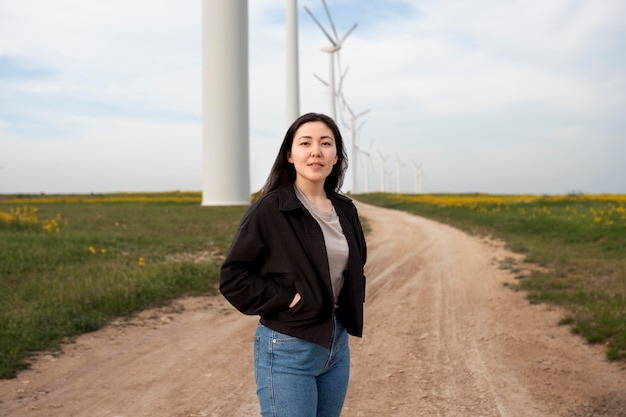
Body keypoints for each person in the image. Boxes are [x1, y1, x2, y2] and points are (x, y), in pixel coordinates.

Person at [219, 112, 367, 417]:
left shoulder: (345, 210)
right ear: (290, 154)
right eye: (305, 143)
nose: (316, 151)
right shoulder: (270, 209)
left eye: (326, 143)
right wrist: (288, 298)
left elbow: (354, 267)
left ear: (336, 155)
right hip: (288, 347)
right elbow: (234, 277)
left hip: (335, 346)